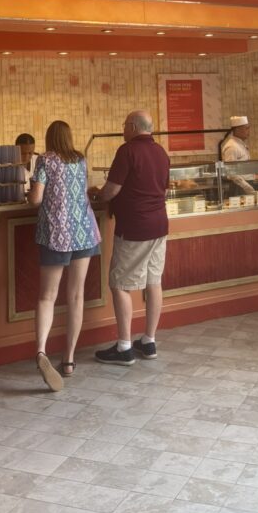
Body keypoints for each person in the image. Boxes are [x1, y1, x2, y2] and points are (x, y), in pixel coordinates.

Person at [89, 110, 170, 365]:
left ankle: (124, 346)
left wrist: (97, 195)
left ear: (133, 127)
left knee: (120, 284)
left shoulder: (127, 151)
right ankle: (149, 341)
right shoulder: (161, 152)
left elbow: (111, 190)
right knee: (153, 281)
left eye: (124, 124)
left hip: (135, 228)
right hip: (159, 226)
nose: (123, 129)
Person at [28, 121, 101, 391]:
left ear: (48, 139)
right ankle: (69, 360)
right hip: (83, 231)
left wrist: (32, 190)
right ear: (69, 138)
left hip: (56, 234)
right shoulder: (80, 159)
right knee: (76, 295)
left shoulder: (45, 160)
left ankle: (41, 351)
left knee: (48, 296)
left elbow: (36, 199)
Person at [219, 115, 255, 196]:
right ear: (237, 130)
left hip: (246, 183)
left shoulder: (240, 143)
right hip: (239, 186)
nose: (249, 131)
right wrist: (246, 186)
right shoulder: (231, 146)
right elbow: (231, 172)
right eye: (246, 128)